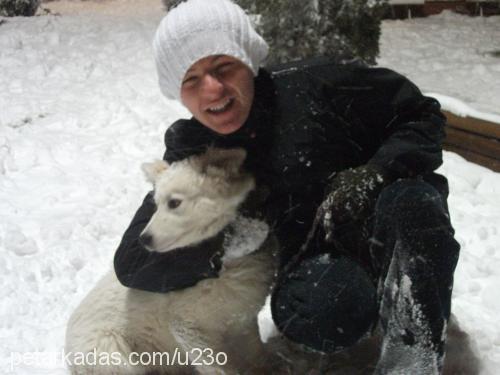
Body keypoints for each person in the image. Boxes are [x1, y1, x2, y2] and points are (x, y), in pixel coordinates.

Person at [114, 0, 460, 373]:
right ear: (176, 91)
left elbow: (421, 114)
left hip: (385, 230)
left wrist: (377, 172)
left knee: (413, 200)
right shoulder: (196, 153)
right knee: (322, 312)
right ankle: (372, 306)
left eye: (223, 66)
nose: (212, 89)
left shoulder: (321, 83)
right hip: (313, 264)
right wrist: (220, 241)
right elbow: (135, 262)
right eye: (191, 79)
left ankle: (414, 358)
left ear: (248, 58)